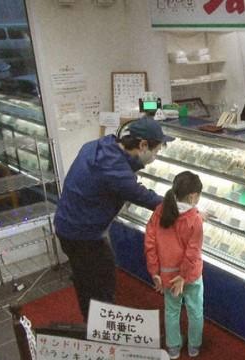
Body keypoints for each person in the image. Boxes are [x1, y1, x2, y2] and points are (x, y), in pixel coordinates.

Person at [54, 116, 173, 319]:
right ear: (143, 145)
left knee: (85, 280)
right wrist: (184, 208)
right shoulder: (117, 172)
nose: (156, 155)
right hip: (84, 236)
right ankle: (101, 332)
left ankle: (91, 321)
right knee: (101, 286)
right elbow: (145, 197)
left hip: (66, 224)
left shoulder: (99, 145)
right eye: (157, 150)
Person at [144, 171, 204, 359]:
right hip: (191, 275)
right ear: (193, 196)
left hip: (167, 275)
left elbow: (150, 242)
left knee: (171, 311)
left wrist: (154, 271)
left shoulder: (161, 210)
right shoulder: (195, 219)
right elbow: (192, 251)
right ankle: (194, 346)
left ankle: (173, 348)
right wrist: (184, 276)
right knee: (195, 311)